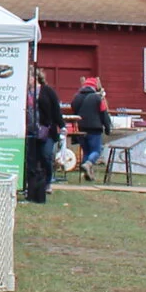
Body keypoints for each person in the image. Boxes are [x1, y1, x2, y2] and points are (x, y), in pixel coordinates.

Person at [25, 67, 62, 204]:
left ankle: (47, 182)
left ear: (34, 78)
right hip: (31, 130)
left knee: (46, 156)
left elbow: (56, 109)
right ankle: (33, 187)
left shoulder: (47, 91)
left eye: (28, 77)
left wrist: (62, 126)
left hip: (47, 129)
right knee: (33, 160)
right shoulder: (25, 92)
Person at [70, 74, 109, 177]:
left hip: (80, 128)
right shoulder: (97, 98)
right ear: (94, 87)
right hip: (94, 128)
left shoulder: (77, 97)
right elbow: (104, 113)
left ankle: (87, 175)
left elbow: (73, 108)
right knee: (96, 150)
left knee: (86, 151)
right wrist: (108, 127)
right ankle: (88, 164)